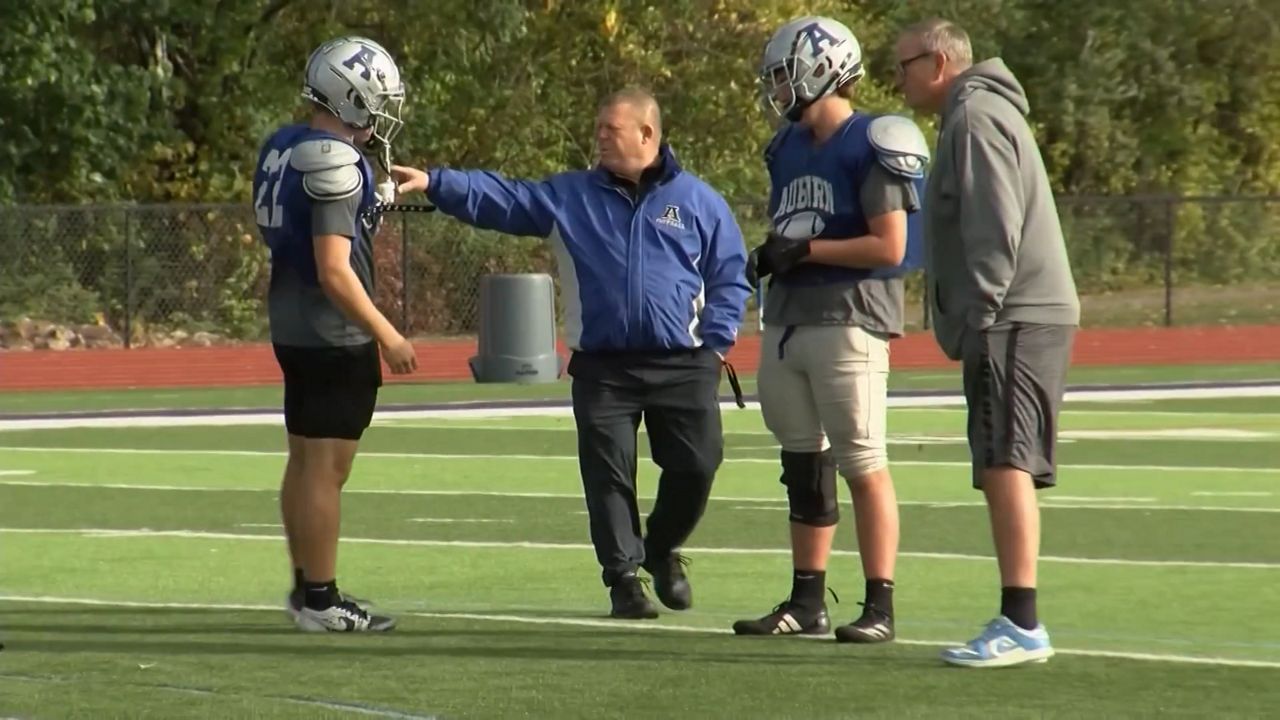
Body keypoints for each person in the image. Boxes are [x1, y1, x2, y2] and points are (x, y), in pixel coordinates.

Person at [390, 89, 752, 619]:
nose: (600, 136)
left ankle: (661, 547)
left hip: (684, 362)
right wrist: (438, 183)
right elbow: (505, 198)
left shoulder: (698, 200)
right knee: (608, 474)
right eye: (598, 127)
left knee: (698, 465)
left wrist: (716, 342)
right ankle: (624, 580)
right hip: (603, 367)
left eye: (612, 128)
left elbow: (730, 273)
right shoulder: (570, 196)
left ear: (647, 134)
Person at [730, 16, 928, 644]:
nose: (779, 89)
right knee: (802, 464)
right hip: (788, 319)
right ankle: (806, 600)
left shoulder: (874, 138)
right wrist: (775, 254)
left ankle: (880, 605)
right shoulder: (785, 148)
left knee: (862, 460)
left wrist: (806, 252)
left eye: (785, 75)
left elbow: (889, 244)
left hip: (850, 318)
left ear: (821, 67)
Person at [894, 18, 1080, 667]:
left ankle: (1022, 621)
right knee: (1008, 460)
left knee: (1005, 460)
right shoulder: (976, 115)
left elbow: (996, 224)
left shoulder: (975, 119)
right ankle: (1019, 616)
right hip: (1022, 313)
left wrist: (980, 312)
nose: (899, 79)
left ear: (940, 62)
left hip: (1013, 316)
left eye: (906, 64)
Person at [252, 36, 419, 632]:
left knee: (303, 460)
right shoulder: (337, 161)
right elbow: (334, 269)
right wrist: (387, 333)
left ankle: (305, 589)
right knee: (326, 468)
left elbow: (314, 227)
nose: (383, 113)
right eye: (378, 100)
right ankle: (321, 601)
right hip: (333, 333)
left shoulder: (285, 145)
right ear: (354, 98)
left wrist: (378, 197)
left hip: (292, 324)